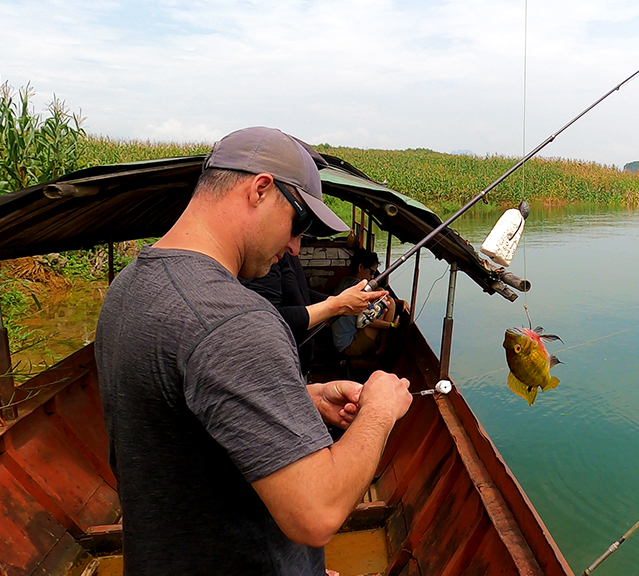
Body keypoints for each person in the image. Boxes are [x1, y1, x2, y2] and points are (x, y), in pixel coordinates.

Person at [95, 127, 412, 575]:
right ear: (260, 189)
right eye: (299, 224)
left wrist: (302, 398)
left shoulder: (129, 289)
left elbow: (178, 424)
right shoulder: (236, 320)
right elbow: (317, 513)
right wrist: (379, 410)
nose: (295, 247)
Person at [241, 252, 386, 377]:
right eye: (295, 232)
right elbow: (268, 319)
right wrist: (337, 306)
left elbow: (302, 293)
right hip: (283, 363)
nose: (295, 248)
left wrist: (336, 301)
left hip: (299, 360)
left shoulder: (288, 255)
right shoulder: (262, 263)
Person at [331, 249, 410, 357]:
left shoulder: (345, 281)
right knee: (389, 302)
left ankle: (381, 342)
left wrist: (399, 302)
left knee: (385, 298)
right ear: (360, 267)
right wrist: (391, 326)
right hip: (349, 345)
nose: (372, 276)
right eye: (372, 272)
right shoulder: (359, 289)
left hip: (339, 341)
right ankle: (383, 346)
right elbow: (365, 320)